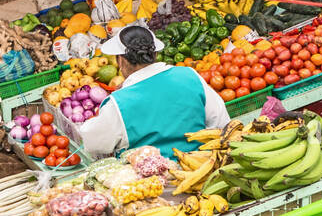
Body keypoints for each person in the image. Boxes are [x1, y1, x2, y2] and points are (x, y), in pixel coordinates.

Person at [80, 25, 230, 160]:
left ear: (121, 61)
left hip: (148, 184)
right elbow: (222, 122)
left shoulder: (119, 103)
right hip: (199, 168)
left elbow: (92, 141)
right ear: (155, 54)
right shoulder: (189, 75)